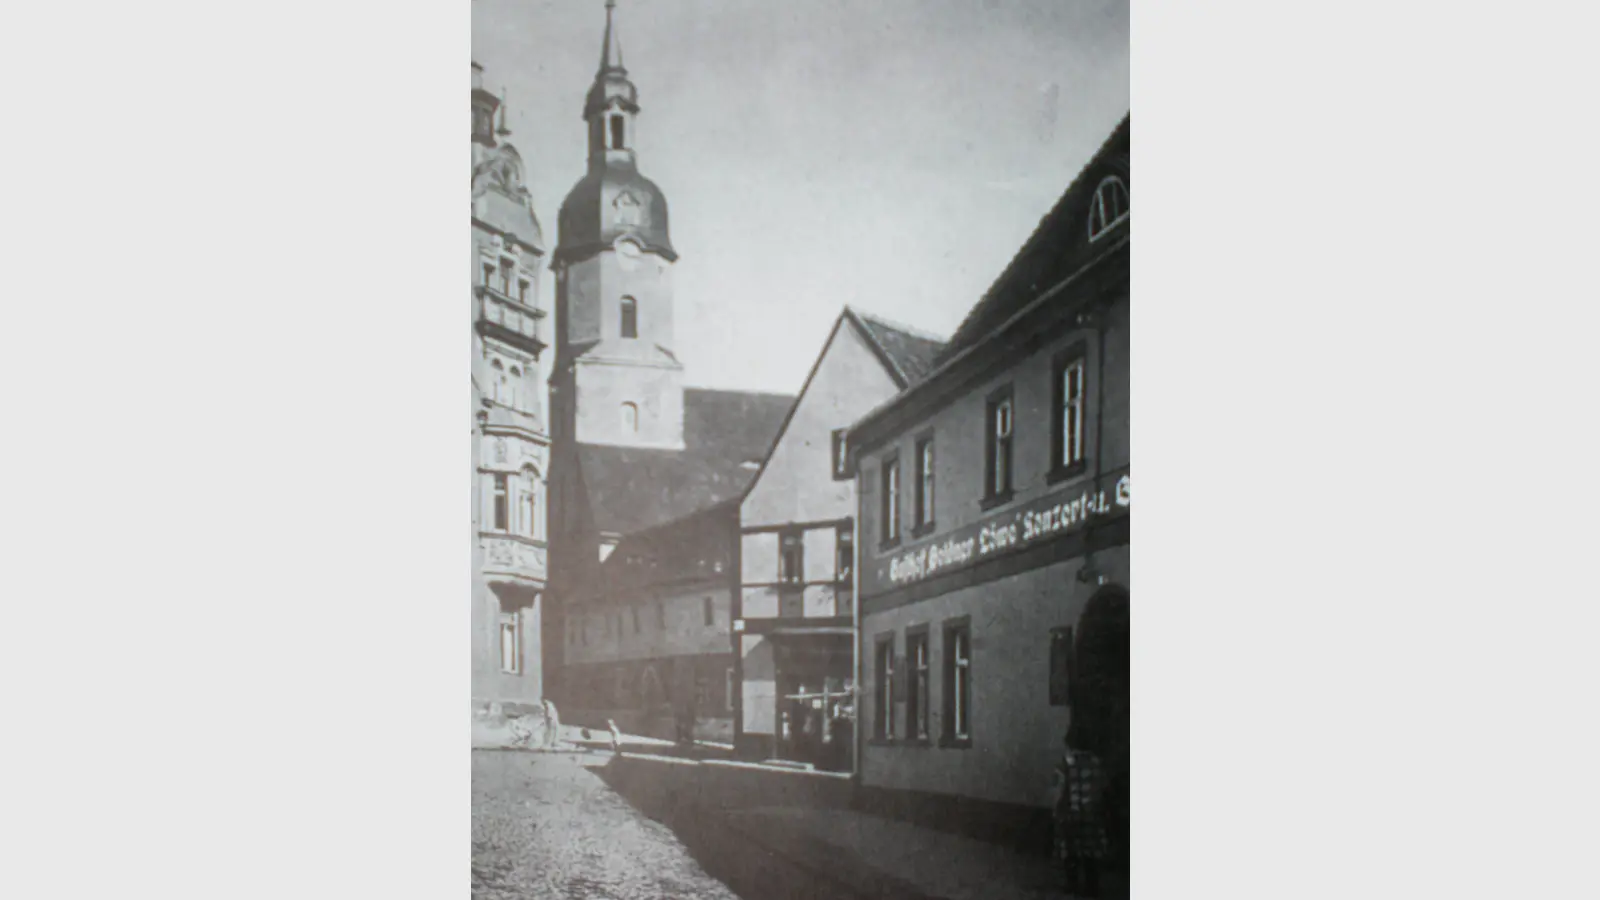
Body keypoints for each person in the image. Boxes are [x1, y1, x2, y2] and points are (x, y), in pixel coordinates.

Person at [1054, 723, 1112, 897]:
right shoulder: (1096, 762)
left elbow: (1060, 789)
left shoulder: (1065, 763)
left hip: (1071, 814)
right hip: (1091, 814)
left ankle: (1072, 885)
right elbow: (1103, 787)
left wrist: (1057, 810)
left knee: (1071, 852)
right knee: (1091, 852)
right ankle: (1092, 886)